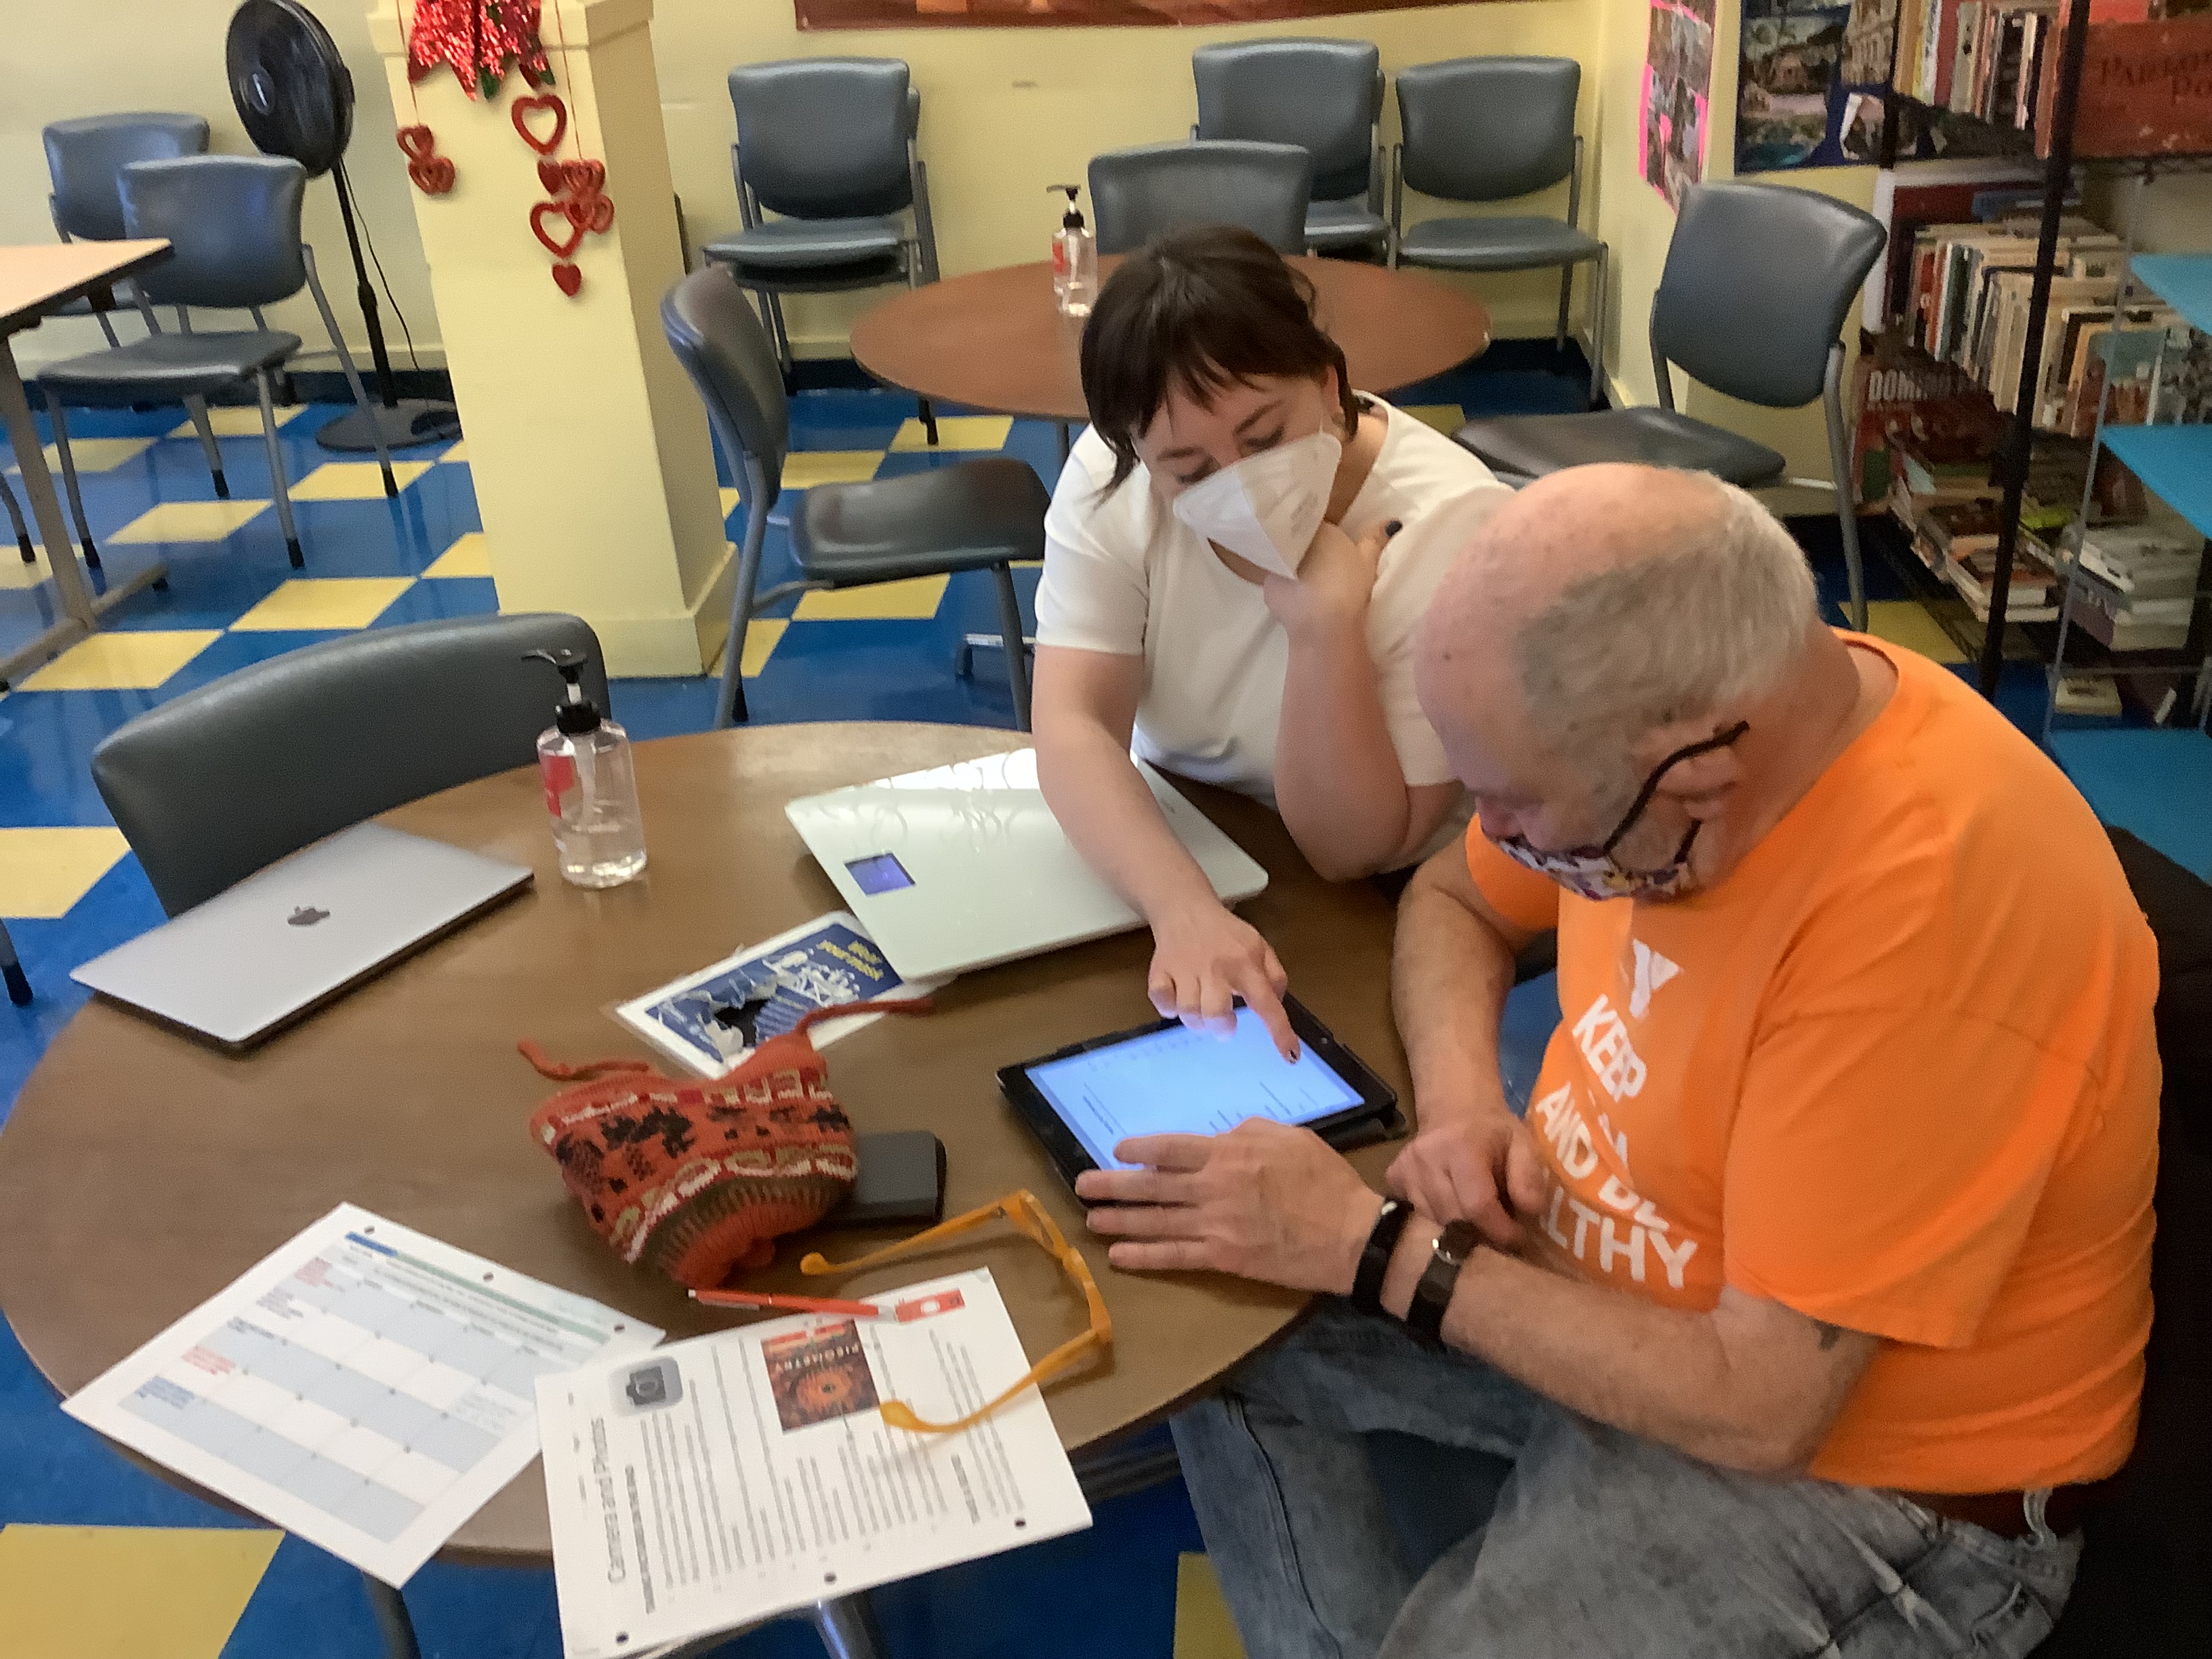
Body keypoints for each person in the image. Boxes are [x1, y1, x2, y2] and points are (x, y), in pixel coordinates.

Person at [1075, 464, 2159, 1658]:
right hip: (1608, 1297)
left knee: (1310, 1275)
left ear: (1693, 776)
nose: (1498, 838)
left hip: (1875, 1485)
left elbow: (1760, 1407)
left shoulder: (1927, 915)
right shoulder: (1717, 701)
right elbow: (1450, 899)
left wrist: (1373, 1246)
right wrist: (1454, 1107)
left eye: (1525, 814)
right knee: (1221, 1328)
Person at [1032, 226, 1509, 1059]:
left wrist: (1325, 628)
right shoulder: (1119, 478)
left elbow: (1349, 851)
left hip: (1376, 898)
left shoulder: (1452, 525)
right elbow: (1072, 721)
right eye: (1189, 470)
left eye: (1263, 439)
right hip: (1179, 832)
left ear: (1328, 386)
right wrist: (1181, 906)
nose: (1240, 484)